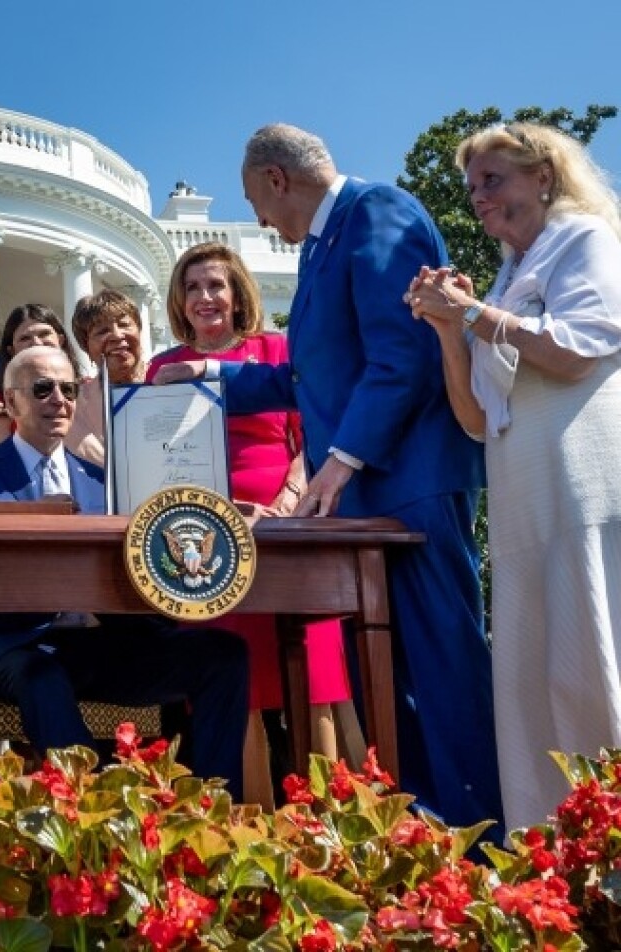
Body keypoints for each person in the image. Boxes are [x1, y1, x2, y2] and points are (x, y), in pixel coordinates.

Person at [153, 123, 501, 829]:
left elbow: (402, 356)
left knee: (442, 672)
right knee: (391, 683)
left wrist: (336, 463)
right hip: (373, 502)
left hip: (413, 488)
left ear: (278, 180)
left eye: (257, 201)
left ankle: (484, 837)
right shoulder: (320, 250)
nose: (258, 220)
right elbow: (309, 377)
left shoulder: (376, 213)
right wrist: (214, 375)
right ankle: (425, 835)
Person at [404, 122, 621, 830]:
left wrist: (474, 313)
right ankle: (555, 861)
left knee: (592, 668)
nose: (479, 199)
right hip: (525, 509)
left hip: (583, 492)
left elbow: (577, 352)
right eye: (472, 189)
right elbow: (472, 418)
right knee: (538, 685)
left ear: (545, 177)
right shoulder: (508, 276)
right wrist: (448, 329)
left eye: (493, 180)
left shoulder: (585, 239)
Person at [0, 346, 249, 789]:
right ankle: (96, 809)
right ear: (11, 403)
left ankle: (213, 809)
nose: (59, 400)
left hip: (99, 641)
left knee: (223, 655)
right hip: (13, 646)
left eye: (68, 390)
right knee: (43, 677)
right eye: (43, 389)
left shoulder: (105, 481)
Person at [148, 241, 363, 807]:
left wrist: (292, 497)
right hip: (204, 540)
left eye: (215, 284)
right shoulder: (162, 368)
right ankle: (247, 823)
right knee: (235, 683)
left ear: (238, 292)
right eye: (191, 288)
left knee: (314, 673)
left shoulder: (276, 350)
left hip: (285, 527)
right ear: (179, 301)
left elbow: (313, 433)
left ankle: (336, 822)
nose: (204, 297)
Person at [64, 288, 145, 466]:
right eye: (102, 331)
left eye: (124, 324)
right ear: (87, 347)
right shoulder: (73, 406)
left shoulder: (169, 385)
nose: (117, 335)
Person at [0, 303, 78, 446]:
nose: (36, 342)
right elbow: (0, 462)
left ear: (61, 340)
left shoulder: (88, 391)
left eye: (44, 334)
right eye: (25, 338)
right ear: (12, 350)